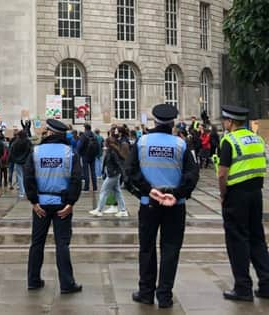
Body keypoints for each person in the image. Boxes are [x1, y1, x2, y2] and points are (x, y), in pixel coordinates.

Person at [125, 104, 199, 309]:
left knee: (147, 248)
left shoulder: (142, 142)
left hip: (149, 203)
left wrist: (148, 189)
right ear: (173, 123)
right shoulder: (181, 144)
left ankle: (146, 292)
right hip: (175, 205)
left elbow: (130, 171)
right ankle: (165, 295)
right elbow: (192, 175)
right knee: (170, 249)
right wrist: (176, 194)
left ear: (154, 121)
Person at [216, 105, 269, 302]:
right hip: (256, 193)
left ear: (230, 122)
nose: (224, 124)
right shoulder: (257, 138)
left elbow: (223, 173)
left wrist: (223, 195)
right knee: (257, 238)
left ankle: (242, 287)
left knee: (237, 240)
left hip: (236, 194)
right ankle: (266, 283)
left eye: (225, 120)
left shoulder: (229, 140)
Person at [24, 119, 83, 293]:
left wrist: (33, 201)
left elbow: (28, 178)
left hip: (41, 204)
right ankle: (66, 283)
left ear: (49, 133)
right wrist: (71, 202)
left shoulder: (36, 152)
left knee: (37, 243)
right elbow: (76, 180)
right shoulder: (70, 153)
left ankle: (33, 280)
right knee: (62, 244)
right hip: (62, 204)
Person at [89, 132, 128, 217]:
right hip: (113, 174)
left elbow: (119, 164)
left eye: (105, 142)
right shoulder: (110, 151)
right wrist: (103, 171)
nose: (104, 143)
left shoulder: (113, 152)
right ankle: (123, 210)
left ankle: (99, 210)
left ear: (108, 143)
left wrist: (124, 175)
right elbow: (106, 163)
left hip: (113, 174)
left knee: (104, 191)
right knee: (117, 192)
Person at [10, 130, 32, 199]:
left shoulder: (15, 142)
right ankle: (27, 191)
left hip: (18, 162)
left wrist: (15, 159)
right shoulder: (28, 142)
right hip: (26, 162)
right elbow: (31, 151)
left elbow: (12, 152)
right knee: (26, 176)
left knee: (19, 177)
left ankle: (22, 192)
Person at [78, 124, 99, 192]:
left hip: (85, 155)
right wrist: (96, 154)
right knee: (93, 171)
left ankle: (86, 187)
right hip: (93, 155)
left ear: (85, 128)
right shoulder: (94, 135)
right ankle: (95, 187)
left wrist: (79, 153)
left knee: (86, 171)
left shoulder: (84, 135)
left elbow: (80, 146)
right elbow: (98, 146)